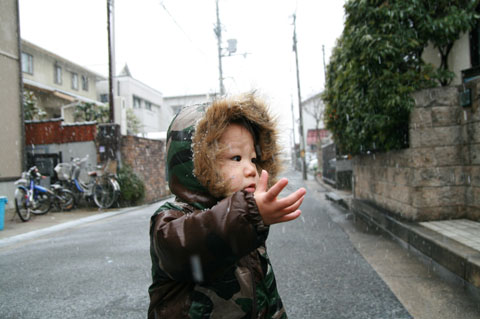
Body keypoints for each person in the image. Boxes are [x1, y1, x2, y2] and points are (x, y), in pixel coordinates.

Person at [148, 93, 306, 318]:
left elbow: (266, 294)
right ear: (196, 164)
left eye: (253, 158)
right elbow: (185, 249)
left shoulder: (246, 222)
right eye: (236, 158)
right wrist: (250, 214)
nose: (251, 169)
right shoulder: (170, 220)